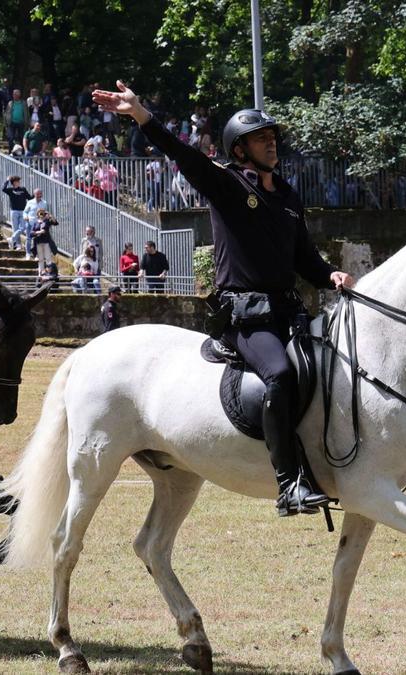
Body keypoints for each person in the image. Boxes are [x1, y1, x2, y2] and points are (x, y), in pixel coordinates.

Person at [94, 80, 356, 517]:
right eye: (261, 138)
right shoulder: (227, 185)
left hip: (289, 312)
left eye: (273, 137)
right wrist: (141, 115)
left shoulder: (288, 195)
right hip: (246, 318)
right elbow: (184, 156)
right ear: (239, 149)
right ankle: (290, 484)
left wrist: (330, 273)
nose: (272, 143)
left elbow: (304, 258)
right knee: (280, 376)